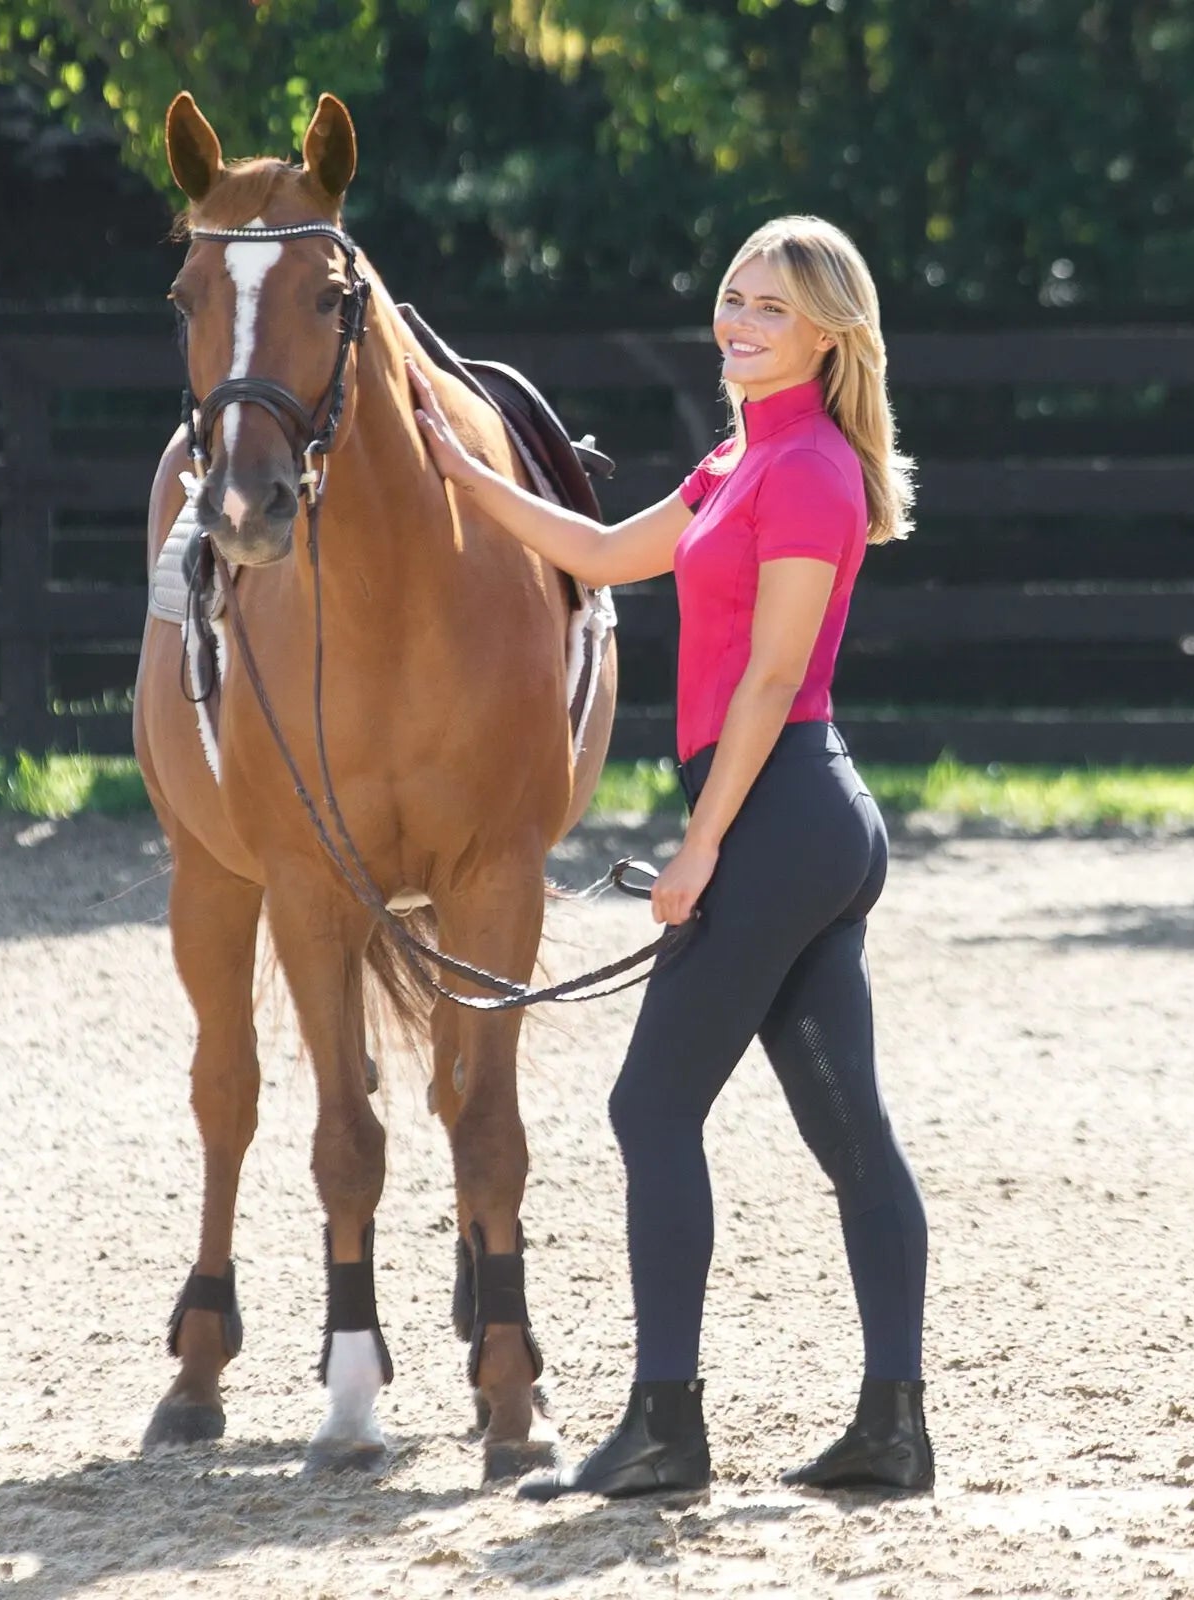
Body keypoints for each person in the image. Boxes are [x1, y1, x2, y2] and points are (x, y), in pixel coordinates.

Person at [408, 215, 932, 1499]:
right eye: (732, 297)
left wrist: (700, 851)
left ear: (828, 333)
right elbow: (592, 554)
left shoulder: (809, 469)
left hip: (782, 814)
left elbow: (766, 681)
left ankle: (666, 1426)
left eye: (771, 308)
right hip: (794, 820)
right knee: (848, 1127)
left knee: (650, 1106)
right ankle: (891, 1428)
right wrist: (461, 473)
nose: (739, 323)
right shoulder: (737, 458)